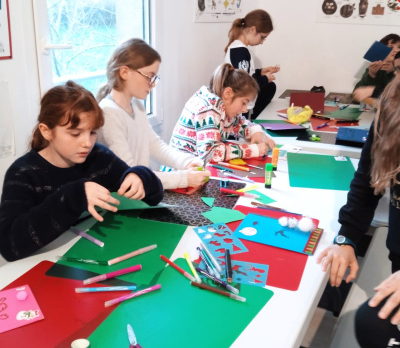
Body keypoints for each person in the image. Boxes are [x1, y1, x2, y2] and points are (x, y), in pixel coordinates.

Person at [0, 81, 163, 262]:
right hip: (42, 264)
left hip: (95, 254)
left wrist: (141, 177)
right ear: (46, 131)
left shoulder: (99, 157)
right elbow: (9, 246)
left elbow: (154, 196)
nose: (87, 143)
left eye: (92, 132)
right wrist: (74, 197)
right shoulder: (23, 173)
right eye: (75, 134)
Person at [317, 69, 400, 347]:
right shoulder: (391, 110)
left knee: (371, 324)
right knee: (371, 324)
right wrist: (347, 237)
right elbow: (366, 182)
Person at [96, 38, 210, 190]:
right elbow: (130, 173)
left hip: (141, 192)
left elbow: (155, 145)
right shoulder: (109, 113)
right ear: (124, 72)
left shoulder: (137, 106)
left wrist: (186, 162)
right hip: (121, 197)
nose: (153, 84)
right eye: (149, 77)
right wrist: (184, 178)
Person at [168, 63, 275, 163]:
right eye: (243, 103)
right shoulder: (208, 109)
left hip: (193, 169)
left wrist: (255, 132)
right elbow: (210, 153)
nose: (245, 110)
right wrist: (252, 150)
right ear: (228, 93)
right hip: (180, 171)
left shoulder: (223, 107)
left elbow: (238, 124)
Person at [224, 9, 280, 120]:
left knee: (270, 87)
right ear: (252, 30)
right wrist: (265, 79)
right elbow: (243, 83)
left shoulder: (239, 48)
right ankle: (253, 121)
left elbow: (246, 73)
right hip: (238, 100)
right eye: (262, 37)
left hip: (241, 98)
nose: (261, 42)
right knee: (269, 86)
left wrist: (260, 72)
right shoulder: (240, 51)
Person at [353, 33, 400, 107]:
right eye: (391, 47)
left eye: (399, 47)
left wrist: (393, 71)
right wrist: (371, 75)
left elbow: (394, 97)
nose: (397, 50)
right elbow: (357, 94)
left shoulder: (396, 71)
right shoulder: (375, 69)